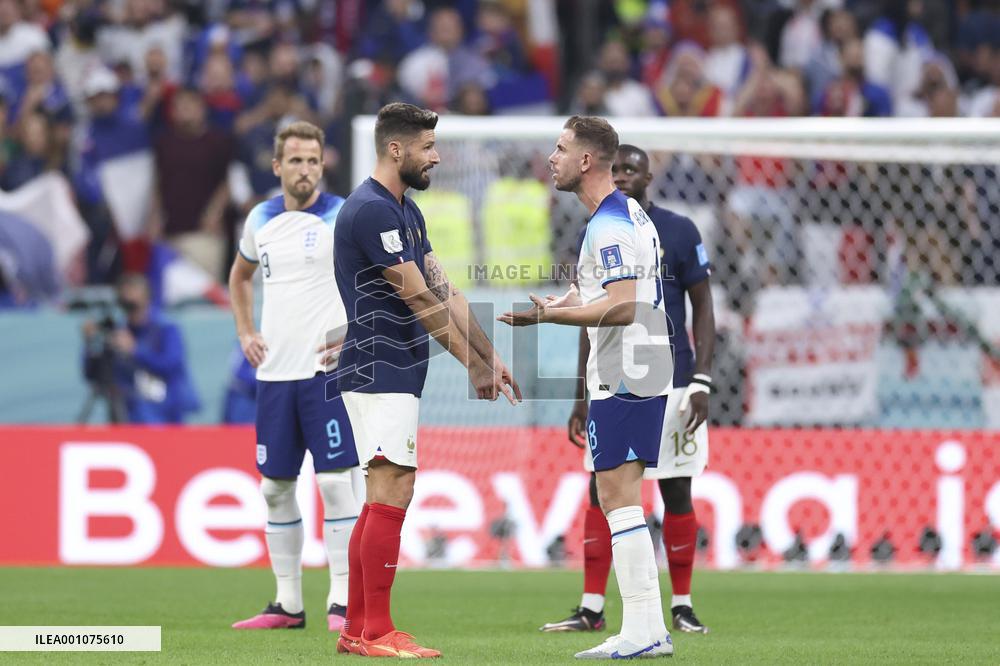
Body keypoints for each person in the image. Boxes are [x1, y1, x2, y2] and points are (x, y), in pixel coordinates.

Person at [333, 102, 520, 658]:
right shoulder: (370, 210)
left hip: (391, 367)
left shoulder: (405, 213)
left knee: (379, 495)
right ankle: (378, 631)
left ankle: (357, 630)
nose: (436, 157)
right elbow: (417, 296)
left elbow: (446, 290)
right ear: (397, 149)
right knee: (395, 488)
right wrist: (471, 365)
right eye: (428, 147)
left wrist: (490, 355)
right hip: (378, 365)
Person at [499, 117, 674, 660]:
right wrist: (558, 305)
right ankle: (647, 628)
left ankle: (643, 630)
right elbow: (603, 290)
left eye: (559, 148)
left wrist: (552, 321)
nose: (551, 158)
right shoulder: (621, 217)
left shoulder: (610, 225)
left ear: (586, 161)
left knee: (618, 497)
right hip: (639, 364)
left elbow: (621, 304)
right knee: (620, 496)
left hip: (628, 368)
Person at [540, 144, 715, 636]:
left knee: (674, 488)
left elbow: (703, 306)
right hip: (612, 375)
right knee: (604, 489)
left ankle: (679, 605)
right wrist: (581, 393)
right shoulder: (601, 227)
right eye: (617, 168)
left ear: (649, 175)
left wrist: (702, 377)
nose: (623, 175)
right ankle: (593, 606)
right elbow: (593, 312)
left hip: (672, 376)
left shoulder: (676, 230)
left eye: (632, 169)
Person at [228, 121, 361, 633]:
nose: (305, 169)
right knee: (274, 490)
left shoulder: (344, 215)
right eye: (296, 160)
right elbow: (239, 276)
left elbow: (376, 281)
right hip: (275, 374)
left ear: (323, 165)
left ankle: (344, 602)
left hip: (326, 371)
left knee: (333, 482)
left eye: (313, 160)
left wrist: (358, 331)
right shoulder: (259, 218)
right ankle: (287, 604)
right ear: (277, 166)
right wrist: (245, 329)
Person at [81, 272, 200, 423]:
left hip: (164, 413)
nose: (131, 312)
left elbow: (172, 365)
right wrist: (90, 344)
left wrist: (135, 350)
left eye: (134, 305)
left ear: (147, 299)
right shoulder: (119, 331)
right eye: (126, 305)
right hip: (129, 412)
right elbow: (91, 374)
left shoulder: (166, 329)